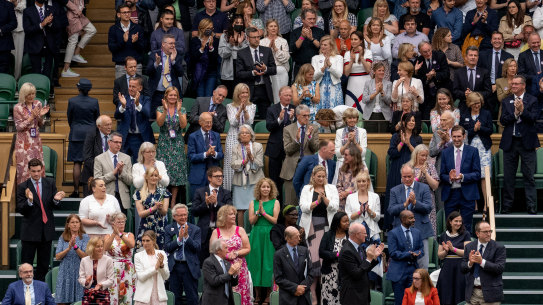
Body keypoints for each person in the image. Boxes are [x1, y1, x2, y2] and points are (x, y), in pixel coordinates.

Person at [16, 158, 65, 281]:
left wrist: (56, 200)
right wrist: (30, 201)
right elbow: (20, 209)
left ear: (42, 170)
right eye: (33, 171)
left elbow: (55, 206)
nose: (36, 174)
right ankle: (26, 289)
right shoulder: (23, 187)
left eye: (38, 171)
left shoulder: (50, 183)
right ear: (29, 171)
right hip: (30, 231)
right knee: (26, 264)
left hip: (46, 231)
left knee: (43, 265)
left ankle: (40, 289)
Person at [299, 165, 339, 304]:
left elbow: (335, 206)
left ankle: (324, 296)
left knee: (325, 261)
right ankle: (314, 297)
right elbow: (303, 207)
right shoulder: (306, 189)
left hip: (327, 227)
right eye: (319, 176)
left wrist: (325, 200)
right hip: (311, 228)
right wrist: (316, 202)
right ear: (313, 176)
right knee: (313, 260)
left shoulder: (331, 189)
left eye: (323, 176)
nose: (321, 179)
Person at [499, 75, 540, 214]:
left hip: (527, 143)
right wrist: (515, 114)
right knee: (508, 176)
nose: (513, 86)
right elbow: (503, 120)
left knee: (529, 176)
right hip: (510, 143)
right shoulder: (506, 101)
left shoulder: (532, 100)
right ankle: (507, 206)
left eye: (516, 84)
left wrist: (522, 111)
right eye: (512, 83)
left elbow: (534, 118)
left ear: (523, 86)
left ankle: (531, 206)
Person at [440, 125, 481, 232]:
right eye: (454, 137)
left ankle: (466, 248)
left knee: (466, 226)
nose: (456, 139)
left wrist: (463, 177)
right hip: (451, 194)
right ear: (450, 136)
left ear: (464, 136)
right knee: (450, 227)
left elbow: (477, 174)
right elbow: (442, 175)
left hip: (467, 194)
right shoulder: (445, 152)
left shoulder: (473, 151)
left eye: (459, 136)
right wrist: (449, 178)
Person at [385, 114, 423, 228]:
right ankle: (392, 225)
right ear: (404, 122)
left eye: (413, 120)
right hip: (397, 169)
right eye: (409, 120)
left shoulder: (418, 138)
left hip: (411, 169)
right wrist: (401, 143)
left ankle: (411, 222)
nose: (412, 122)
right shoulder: (396, 137)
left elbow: (418, 154)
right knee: (396, 196)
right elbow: (391, 153)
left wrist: (408, 143)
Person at [247, 178, 280, 304]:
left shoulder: (275, 202)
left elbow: (275, 220)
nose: (265, 189)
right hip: (256, 234)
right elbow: (251, 221)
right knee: (256, 263)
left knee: (268, 263)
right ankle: (257, 294)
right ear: (259, 189)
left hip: (270, 234)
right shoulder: (253, 202)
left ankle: (268, 294)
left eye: (268, 187)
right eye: (263, 187)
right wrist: (258, 213)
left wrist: (264, 213)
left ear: (271, 189)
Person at [209, 205, 251, 305]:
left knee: (241, 296)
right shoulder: (216, 232)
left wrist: (236, 253)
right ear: (223, 216)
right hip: (222, 268)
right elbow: (212, 250)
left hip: (239, 268)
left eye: (234, 214)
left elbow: (247, 248)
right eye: (231, 214)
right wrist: (227, 256)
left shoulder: (240, 230)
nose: (234, 216)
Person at [280, 105, 320, 205]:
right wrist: (297, 140)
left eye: (308, 115)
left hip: (308, 169)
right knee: (291, 204)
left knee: (307, 202)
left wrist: (309, 137)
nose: (307, 118)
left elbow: (315, 148)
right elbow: (288, 150)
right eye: (304, 115)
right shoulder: (288, 129)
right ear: (297, 116)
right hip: (291, 169)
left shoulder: (314, 128)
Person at [192, 167, 233, 262]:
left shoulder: (226, 193)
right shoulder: (200, 192)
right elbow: (194, 212)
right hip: (204, 233)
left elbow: (230, 209)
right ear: (209, 178)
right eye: (217, 176)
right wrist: (205, 204)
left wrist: (216, 203)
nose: (220, 178)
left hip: (221, 231)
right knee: (204, 262)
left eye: (221, 176)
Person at [66, 79, 99, 197]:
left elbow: (69, 118)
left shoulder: (72, 101)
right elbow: (97, 119)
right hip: (91, 134)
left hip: (76, 134)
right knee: (91, 162)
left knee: (77, 162)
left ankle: (75, 191)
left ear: (79, 88)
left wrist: (75, 127)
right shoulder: (94, 102)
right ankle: (92, 191)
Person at [338, 223, 385, 305]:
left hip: (362, 295)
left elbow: (365, 268)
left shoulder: (358, 247)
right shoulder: (347, 251)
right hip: (352, 297)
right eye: (365, 233)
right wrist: (369, 258)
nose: (367, 235)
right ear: (357, 235)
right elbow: (356, 273)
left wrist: (374, 258)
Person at [156, 86, 188, 206]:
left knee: (176, 173)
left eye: (175, 95)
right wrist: (165, 110)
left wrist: (179, 111)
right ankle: (165, 200)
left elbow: (183, 125)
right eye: (171, 95)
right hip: (164, 143)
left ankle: (173, 202)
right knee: (164, 171)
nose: (173, 97)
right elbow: (159, 123)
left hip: (177, 144)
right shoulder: (160, 108)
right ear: (166, 96)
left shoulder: (182, 109)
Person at [236, 27, 277, 119]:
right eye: (254, 37)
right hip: (249, 90)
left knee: (265, 119)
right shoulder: (241, 53)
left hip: (264, 90)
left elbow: (274, 70)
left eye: (258, 37)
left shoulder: (267, 51)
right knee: (248, 119)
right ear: (247, 38)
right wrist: (252, 73)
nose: (257, 39)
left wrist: (265, 69)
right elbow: (239, 73)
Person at [461, 221, 506, 304]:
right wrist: (470, 263)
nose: (489, 234)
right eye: (485, 232)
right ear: (477, 233)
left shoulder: (499, 247)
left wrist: (482, 262)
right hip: (472, 293)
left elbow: (500, 268)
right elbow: (463, 269)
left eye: (490, 231)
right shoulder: (469, 246)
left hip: (490, 294)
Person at [164, 204, 201, 305]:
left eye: (185, 215)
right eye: (180, 215)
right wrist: (179, 239)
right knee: (175, 297)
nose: (183, 217)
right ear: (174, 216)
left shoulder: (195, 229)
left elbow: (197, 248)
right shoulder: (168, 229)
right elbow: (167, 247)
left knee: (192, 297)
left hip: (190, 267)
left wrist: (187, 237)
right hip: (174, 267)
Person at [460, 92, 493, 205]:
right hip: (470, 148)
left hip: (484, 148)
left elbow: (490, 130)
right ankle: (473, 204)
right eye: (474, 104)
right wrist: (473, 129)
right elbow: (462, 133)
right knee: (471, 176)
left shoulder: (486, 113)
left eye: (478, 103)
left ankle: (486, 204)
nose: (477, 106)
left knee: (485, 176)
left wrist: (480, 128)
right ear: (469, 103)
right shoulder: (464, 115)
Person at [386, 210, 425, 305]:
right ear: (403, 219)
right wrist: (409, 254)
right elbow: (393, 253)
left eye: (413, 217)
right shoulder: (393, 233)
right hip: (398, 273)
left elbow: (421, 250)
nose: (414, 220)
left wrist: (417, 253)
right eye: (410, 218)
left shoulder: (417, 232)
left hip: (413, 271)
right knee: (400, 302)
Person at [224, 84, 257, 191]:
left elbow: (249, 122)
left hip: (247, 137)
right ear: (237, 94)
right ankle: (230, 191)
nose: (245, 95)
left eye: (246, 92)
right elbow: (233, 123)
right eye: (242, 92)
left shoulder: (252, 106)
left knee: (246, 161)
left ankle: (245, 191)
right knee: (232, 164)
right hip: (233, 137)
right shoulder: (230, 106)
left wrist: (245, 110)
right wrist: (239, 111)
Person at [115, 76, 155, 164]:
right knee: (123, 164)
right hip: (126, 137)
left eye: (133, 86)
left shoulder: (145, 99)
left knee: (140, 164)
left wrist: (137, 104)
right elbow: (116, 116)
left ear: (140, 88)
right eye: (130, 86)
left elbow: (148, 114)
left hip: (141, 137)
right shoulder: (123, 98)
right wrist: (123, 106)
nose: (131, 89)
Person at [14, 83, 48, 184]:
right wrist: (31, 118)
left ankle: (38, 193)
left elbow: (40, 124)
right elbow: (19, 127)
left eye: (33, 94)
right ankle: (24, 194)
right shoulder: (18, 108)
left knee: (37, 167)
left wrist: (40, 116)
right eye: (29, 94)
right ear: (23, 94)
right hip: (23, 142)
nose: (32, 96)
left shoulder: (38, 104)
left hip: (35, 141)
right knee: (24, 170)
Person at [231, 125, 265, 226]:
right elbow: (233, 163)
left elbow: (260, 164)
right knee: (240, 209)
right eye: (242, 133)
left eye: (247, 132)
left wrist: (251, 157)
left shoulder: (258, 146)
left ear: (251, 135)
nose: (244, 134)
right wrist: (243, 161)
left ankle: (254, 230)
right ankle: (241, 232)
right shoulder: (235, 147)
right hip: (240, 181)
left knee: (255, 207)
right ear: (239, 136)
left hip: (255, 181)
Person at [436, 212, 471, 305]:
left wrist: (453, 249)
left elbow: (466, 253)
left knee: (459, 292)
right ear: (450, 222)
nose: (458, 223)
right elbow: (440, 255)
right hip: (447, 267)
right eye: (456, 221)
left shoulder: (465, 234)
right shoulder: (444, 235)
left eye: (460, 221)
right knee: (446, 292)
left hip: (460, 267)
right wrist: (446, 251)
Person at [187, 112, 224, 199]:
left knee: (214, 204)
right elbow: (191, 156)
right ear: (200, 122)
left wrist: (214, 153)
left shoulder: (216, 135)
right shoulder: (193, 136)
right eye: (207, 122)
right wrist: (206, 154)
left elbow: (221, 155)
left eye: (211, 122)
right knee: (198, 203)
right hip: (198, 176)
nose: (209, 124)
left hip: (213, 176)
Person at [265, 86, 296, 193]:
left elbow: (299, 128)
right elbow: (269, 127)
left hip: (290, 149)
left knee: (289, 178)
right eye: (286, 95)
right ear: (280, 95)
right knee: (274, 179)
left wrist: (292, 119)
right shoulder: (272, 109)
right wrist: (279, 119)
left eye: (290, 96)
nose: (288, 98)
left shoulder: (295, 108)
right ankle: (275, 204)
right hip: (275, 148)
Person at [273, 226, 314, 305]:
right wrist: (295, 288)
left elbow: (311, 272)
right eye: (297, 237)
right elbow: (278, 278)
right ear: (288, 238)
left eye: (299, 236)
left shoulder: (304, 251)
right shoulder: (279, 255)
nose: (299, 239)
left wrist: (302, 288)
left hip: (303, 296)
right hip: (287, 298)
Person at [94, 132, 133, 214]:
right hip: (106, 196)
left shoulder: (127, 158)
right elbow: (97, 181)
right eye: (116, 142)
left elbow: (130, 181)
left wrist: (121, 172)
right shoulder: (99, 159)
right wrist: (113, 173)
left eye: (120, 142)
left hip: (123, 199)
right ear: (109, 142)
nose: (118, 145)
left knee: (122, 225)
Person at [54, 215, 89, 305]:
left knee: (78, 299)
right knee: (62, 300)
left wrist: (75, 247)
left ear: (80, 224)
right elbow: (57, 256)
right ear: (68, 225)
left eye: (77, 222)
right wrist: (68, 248)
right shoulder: (63, 237)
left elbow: (85, 256)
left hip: (79, 269)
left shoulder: (84, 237)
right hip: (65, 270)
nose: (75, 224)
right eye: (72, 222)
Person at [22, 0, 59, 84]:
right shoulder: (28, 11)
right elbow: (27, 30)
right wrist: (41, 24)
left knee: (48, 72)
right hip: (35, 46)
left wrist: (50, 23)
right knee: (36, 73)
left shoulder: (52, 9)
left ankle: (47, 92)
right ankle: (37, 93)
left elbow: (58, 27)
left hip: (49, 45)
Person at [147, 34, 184, 118]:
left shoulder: (177, 55)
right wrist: (156, 63)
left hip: (172, 95)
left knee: (172, 118)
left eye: (174, 43)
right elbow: (148, 71)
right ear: (163, 44)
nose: (173, 45)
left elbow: (181, 73)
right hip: (156, 94)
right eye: (170, 43)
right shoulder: (154, 54)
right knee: (153, 118)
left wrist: (173, 61)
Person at [134, 167, 171, 250]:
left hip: (160, 227)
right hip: (145, 227)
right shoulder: (139, 193)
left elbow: (165, 212)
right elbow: (141, 213)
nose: (154, 178)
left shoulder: (164, 192)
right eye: (151, 175)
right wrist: (153, 208)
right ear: (146, 177)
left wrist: (159, 208)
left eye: (156, 175)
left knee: (160, 253)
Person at [103, 212, 136, 305]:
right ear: (113, 223)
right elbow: (105, 247)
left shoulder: (129, 235)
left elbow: (131, 244)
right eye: (119, 222)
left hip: (127, 268)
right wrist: (114, 233)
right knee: (112, 293)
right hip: (112, 267)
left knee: (127, 293)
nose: (121, 224)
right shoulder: (108, 236)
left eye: (123, 222)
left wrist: (120, 234)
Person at [408, 144, 439, 234]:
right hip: (414, 198)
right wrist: (418, 176)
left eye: (426, 155)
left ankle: (430, 245)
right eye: (422, 155)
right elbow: (407, 185)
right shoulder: (409, 167)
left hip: (428, 198)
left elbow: (435, 186)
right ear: (416, 155)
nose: (425, 158)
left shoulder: (431, 167)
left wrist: (425, 173)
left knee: (429, 225)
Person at [319, 212, 349, 305]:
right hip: (329, 272)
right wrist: (336, 255)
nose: (347, 223)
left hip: (345, 274)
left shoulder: (350, 235)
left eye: (348, 221)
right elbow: (321, 252)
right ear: (337, 223)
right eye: (344, 221)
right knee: (328, 299)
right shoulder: (328, 235)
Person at [414, 41, 450, 120]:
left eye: (429, 50)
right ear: (420, 52)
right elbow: (418, 81)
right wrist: (418, 73)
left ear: (431, 48)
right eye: (425, 52)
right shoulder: (418, 61)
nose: (428, 53)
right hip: (427, 94)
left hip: (440, 91)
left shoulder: (440, 56)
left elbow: (446, 73)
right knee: (426, 118)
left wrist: (435, 74)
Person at [108, 4, 145, 79]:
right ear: (119, 15)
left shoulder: (138, 28)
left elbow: (143, 48)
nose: (127, 14)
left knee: (137, 89)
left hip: (136, 65)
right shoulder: (113, 29)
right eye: (124, 12)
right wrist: (123, 41)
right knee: (122, 90)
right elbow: (111, 48)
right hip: (121, 65)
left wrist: (135, 42)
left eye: (128, 12)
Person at [60, 0, 95, 77]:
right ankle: (66, 69)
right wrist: (76, 10)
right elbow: (65, 1)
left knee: (92, 30)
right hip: (72, 16)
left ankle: (76, 52)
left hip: (80, 16)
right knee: (73, 41)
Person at [133, 230, 170, 305]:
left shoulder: (161, 254)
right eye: (143, 241)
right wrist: (155, 268)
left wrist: (162, 266)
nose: (145, 243)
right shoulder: (138, 256)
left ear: (154, 241)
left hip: (159, 296)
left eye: (147, 241)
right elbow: (141, 277)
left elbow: (166, 276)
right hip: (143, 296)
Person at [201, 239, 242, 305]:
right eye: (225, 248)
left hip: (227, 300)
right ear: (218, 250)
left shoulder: (227, 263)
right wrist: (229, 273)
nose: (228, 250)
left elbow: (233, 283)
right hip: (213, 300)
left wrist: (235, 274)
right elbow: (214, 281)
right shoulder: (208, 262)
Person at [345, 172, 381, 243]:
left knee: (374, 253)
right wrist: (359, 212)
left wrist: (369, 211)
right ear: (356, 183)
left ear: (368, 182)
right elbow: (348, 218)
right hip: (355, 233)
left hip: (372, 232)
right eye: (359, 181)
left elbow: (377, 218)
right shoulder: (350, 197)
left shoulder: (375, 197)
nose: (361, 183)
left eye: (364, 181)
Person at [260, 19, 290, 104]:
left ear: (278, 28)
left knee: (282, 93)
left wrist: (276, 49)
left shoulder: (283, 41)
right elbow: (261, 60)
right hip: (268, 70)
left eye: (275, 26)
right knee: (273, 93)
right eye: (271, 26)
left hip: (282, 69)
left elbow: (286, 58)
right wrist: (268, 50)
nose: (273, 28)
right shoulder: (262, 42)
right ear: (267, 28)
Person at [453, 47, 492, 112]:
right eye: (471, 55)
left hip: (480, 107)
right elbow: (455, 91)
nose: (473, 57)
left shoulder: (484, 72)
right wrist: (464, 94)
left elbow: (488, 91)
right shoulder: (458, 72)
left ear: (478, 58)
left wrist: (474, 94)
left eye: (475, 55)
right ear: (466, 57)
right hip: (464, 107)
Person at [82, 115, 113, 196]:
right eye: (107, 125)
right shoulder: (91, 135)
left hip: (111, 175)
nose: (109, 127)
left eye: (110, 124)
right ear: (99, 126)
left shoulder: (114, 136)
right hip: (92, 173)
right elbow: (87, 157)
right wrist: (100, 170)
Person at [78, 237, 115, 304]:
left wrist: (101, 285)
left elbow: (111, 279)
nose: (101, 248)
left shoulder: (108, 260)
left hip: (102, 292)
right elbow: (81, 278)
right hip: (88, 292)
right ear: (91, 247)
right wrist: (86, 281)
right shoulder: (84, 260)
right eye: (98, 246)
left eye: (101, 246)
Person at [219, 16, 249, 96]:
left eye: (241, 23)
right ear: (232, 24)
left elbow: (247, 54)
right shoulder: (224, 36)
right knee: (228, 95)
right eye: (237, 23)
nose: (239, 24)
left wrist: (240, 44)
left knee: (239, 95)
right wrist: (230, 45)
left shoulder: (245, 36)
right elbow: (222, 54)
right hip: (228, 68)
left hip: (241, 68)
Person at [290, 9, 325, 78]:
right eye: (309, 19)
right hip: (300, 67)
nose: (312, 21)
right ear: (302, 19)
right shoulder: (295, 32)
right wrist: (302, 37)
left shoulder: (320, 32)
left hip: (316, 66)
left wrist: (312, 39)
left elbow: (323, 48)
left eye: (314, 19)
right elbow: (292, 49)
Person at [190, 18, 220, 97]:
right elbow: (193, 58)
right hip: (198, 73)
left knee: (209, 96)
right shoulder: (195, 40)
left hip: (211, 73)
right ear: (201, 28)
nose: (210, 30)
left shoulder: (215, 41)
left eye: (211, 28)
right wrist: (202, 48)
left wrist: (210, 47)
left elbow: (215, 59)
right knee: (200, 97)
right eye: (207, 28)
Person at [312, 35, 344, 110]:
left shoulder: (338, 58)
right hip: (320, 88)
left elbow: (339, 75)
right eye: (322, 44)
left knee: (335, 111)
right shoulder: (315, 58)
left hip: (334, 88)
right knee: (320, 111)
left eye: (325, 45)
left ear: (331, 46)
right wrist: (323, 68)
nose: (322, 46)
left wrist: (330, 66)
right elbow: (313, 77)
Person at [343, 31, 372, 109]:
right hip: (352, 82)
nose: (353, 41)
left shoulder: (368, 52)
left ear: (361, 41)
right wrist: (352, 60)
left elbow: (368, 70)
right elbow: (346, 73)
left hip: (365, 81)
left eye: (355, 39)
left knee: (365, 106)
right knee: (352, 107)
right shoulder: (347, 54)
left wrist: (361, 56)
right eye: (351, 39)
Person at [336, 145, 366, 210]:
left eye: (346, 155)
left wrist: (348, 193)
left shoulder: (362, 170)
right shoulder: (341, 169)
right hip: (343, 200)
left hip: (357, 200)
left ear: (353, 156)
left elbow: (363, 187)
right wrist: (341, 194)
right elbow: (338, 185)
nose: (344, 157)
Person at [0, 0, 16, 74]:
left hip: (4, 45)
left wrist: (1, 30)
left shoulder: (8, 5)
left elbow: (14, 23)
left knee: (4, 72)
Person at [11, 0, 25, 79]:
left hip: (19, 29)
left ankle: (16, 79)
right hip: (6, 29)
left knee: (18, 57)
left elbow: (24, 8)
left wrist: (15, 3)